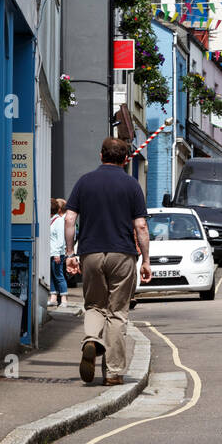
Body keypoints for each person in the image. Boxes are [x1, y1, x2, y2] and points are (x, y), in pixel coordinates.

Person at [65, 138, 152, 385]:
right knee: (117, 313)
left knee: (94, 305)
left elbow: (70, 219)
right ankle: (113, 372)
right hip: (122, 254)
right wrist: (146, 260)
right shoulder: (132, 185)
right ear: (125, 160)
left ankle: (91, 339)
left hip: (91, 253)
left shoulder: (85, 182)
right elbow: (141, 226)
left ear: (100, 155)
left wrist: (71, 253)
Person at [48, 198, 68, 307]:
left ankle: (64, 299)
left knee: (59, 275)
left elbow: (60, 239)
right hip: (51, 253)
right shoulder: (51, 220)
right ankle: (53, 298)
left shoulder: (59, 221)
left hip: (57, 253)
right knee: (52, 276)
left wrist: (56, 253)